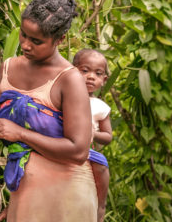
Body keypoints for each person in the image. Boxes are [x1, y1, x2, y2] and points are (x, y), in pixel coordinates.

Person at [0, 0, 98, 221]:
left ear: (60, 39)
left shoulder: (70, 79)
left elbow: (79, 151)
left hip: (67, 194)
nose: (26, 45)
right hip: (25, 190)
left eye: (36, 41)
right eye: (23, 35)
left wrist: (20, 133)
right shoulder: (8, 67)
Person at [73, 49, 112, 222]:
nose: (90, 77)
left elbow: (108, 136)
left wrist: (93, 133)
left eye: (97, 74)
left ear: (104, 80)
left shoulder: (100, 107)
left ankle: (100, 206)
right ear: (72, 71)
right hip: (63, 144)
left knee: (102, 165)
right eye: (85, 70)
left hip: (87, 150)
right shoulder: (64, 96)